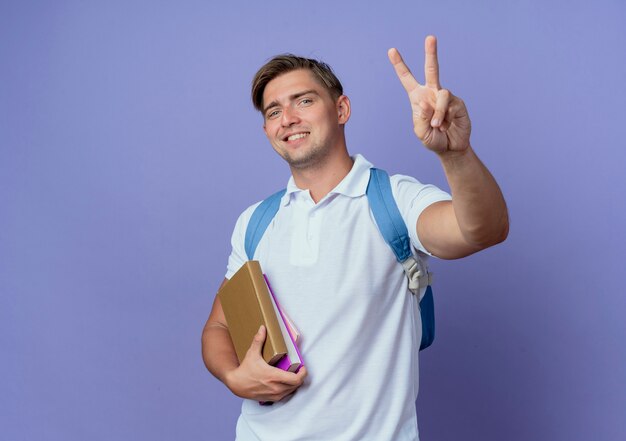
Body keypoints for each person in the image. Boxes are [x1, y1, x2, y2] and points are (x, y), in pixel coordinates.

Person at [201, 35, 508, 441]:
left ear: (341, 109)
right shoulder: (255, 222)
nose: (288, 117)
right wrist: (234, 376)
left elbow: (482, 230)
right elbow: (217, 329)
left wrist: (456, 154)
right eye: (274, 110)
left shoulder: (394, 200)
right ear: (266, 129)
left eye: (304, 101)